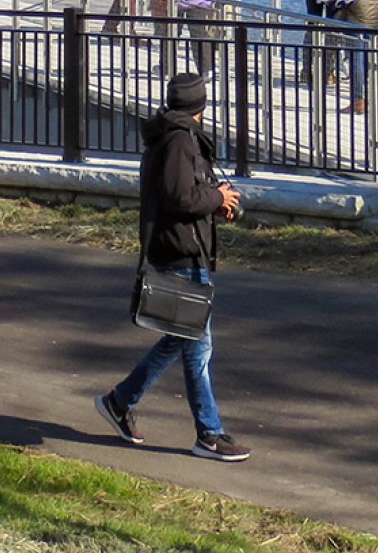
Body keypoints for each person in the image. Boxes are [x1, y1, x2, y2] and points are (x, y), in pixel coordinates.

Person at [94, 71, 251, 462]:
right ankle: (209, 434)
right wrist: (217, 197)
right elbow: (180, 198)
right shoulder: (180, 140)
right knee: (197, 344)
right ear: (201, 107)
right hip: (180, 251)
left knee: (181, 337)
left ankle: (120, 401)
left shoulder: (172, 135)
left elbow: (182, 192)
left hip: (185, 248)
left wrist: (219, 200)